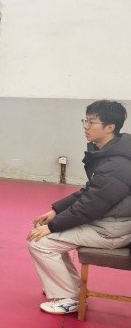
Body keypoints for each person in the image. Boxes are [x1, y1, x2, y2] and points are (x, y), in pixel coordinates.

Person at [27, 100, 131, 315]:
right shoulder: (110, 152)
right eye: (85, 120)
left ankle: (69, 298)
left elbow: (91, 206)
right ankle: (73, 289)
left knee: (40, 242)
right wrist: (56, 211)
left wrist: (53, 226)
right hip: (108, 221)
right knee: (44, 234)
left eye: (91, 122)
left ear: (110, 127)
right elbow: (91, 191)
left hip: (112, 230)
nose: (85, 126)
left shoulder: (117, 164)